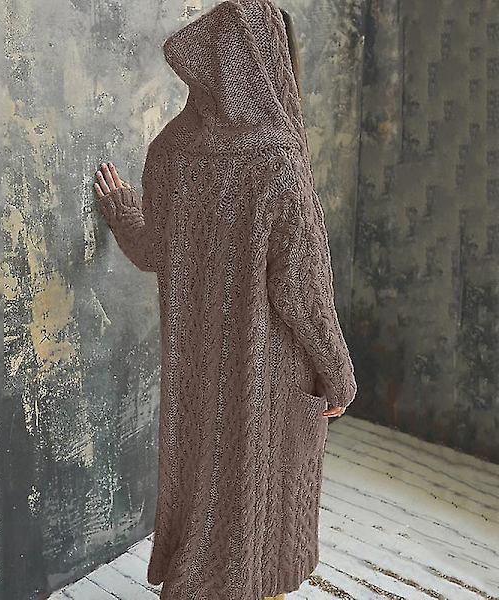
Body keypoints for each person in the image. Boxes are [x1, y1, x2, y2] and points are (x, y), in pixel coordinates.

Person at [93, 1, 357, 599]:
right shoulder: (279, 161)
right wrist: (338, 377)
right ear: (267, 59)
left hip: (198, 375)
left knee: (205, 489)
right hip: (272, 377)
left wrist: (121, 209)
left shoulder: (170, 151)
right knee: (263, 505)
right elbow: (304, 292)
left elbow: (154, 250)